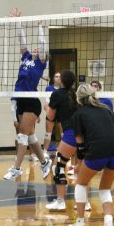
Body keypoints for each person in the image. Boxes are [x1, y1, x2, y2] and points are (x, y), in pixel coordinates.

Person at [68, 83, 114, 226]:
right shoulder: (107, 109)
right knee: (105, 189)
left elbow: (80, 147)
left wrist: (79, 166)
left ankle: (79, 225)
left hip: (97, 153)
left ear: (78, 98)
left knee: (80, 183)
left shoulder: (78, 114)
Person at [3, 8, 52, 181]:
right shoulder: (25, 57)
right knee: (30, 136)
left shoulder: (40, 63)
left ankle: (16, 168)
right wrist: (18, 22)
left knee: (22, 136)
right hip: (20, 100)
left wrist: (40, 27)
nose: (36, 48)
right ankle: (45, 162)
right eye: (35, 48)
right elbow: (21, 40)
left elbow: (44, 46)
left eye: (39, 49)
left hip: (31, 101)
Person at [45, 70, 92, 211]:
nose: (57, 78)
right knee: (83, 169)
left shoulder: (57, 94)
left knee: (58, 166)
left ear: (62, 81)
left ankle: (60, 201)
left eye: (59, 77)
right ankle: (85, 202)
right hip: (85, 134)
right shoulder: (76, 94)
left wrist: (46, 108)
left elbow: (51, 117)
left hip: (71, 133)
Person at [90, 80, 114, 176]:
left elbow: (110, 114)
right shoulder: (89, 100)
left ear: (99, 88)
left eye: (96, 86)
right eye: (92, 86)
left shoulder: (106, 100)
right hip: (94, 127)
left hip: (107, 125)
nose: (94, 87)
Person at [43, 72, 62, 156]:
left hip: (61, 113)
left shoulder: (64, 89)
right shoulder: (48, 88)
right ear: (53, 78)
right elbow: (46, 103)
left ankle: (62, 151)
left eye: (60, 77)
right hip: (51, 111)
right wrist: (49, 113)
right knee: (48, 133)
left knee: (63, 134)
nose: (58, 78)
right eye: (56, 76)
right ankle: (44, 152)